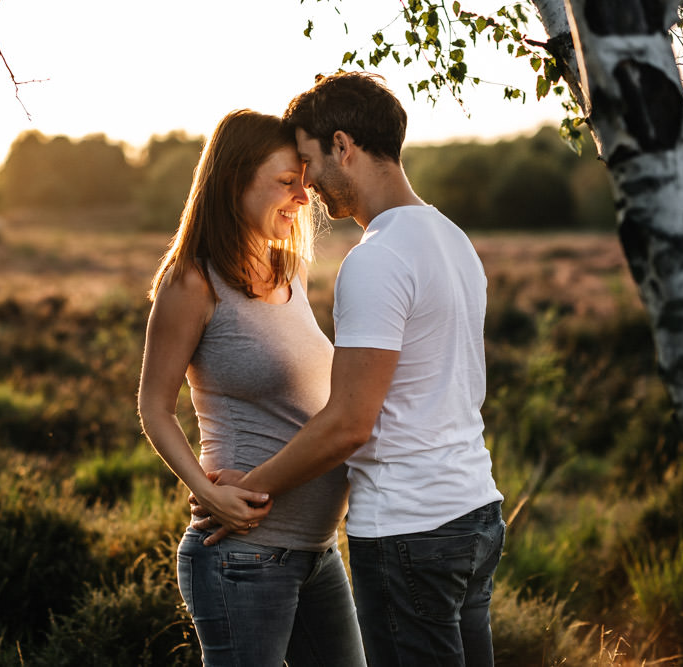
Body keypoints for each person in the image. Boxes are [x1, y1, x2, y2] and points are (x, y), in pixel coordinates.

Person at [199, 73, 506, 666]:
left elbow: (348, 423)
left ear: (344, 146)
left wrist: (250, 485)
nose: (308, 187)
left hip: (409, 529)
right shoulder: (453, 239)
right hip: (474, 514)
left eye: (310, 162)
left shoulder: (377, 259)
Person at [137, 108, 366, 667]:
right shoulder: (192, 281)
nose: (301, 198)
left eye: (304, 183)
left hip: (317, 552)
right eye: (287, 183)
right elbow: (154, 406)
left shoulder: (290, 270)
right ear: (236, 178)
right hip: (243, 556)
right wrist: (207, 490)